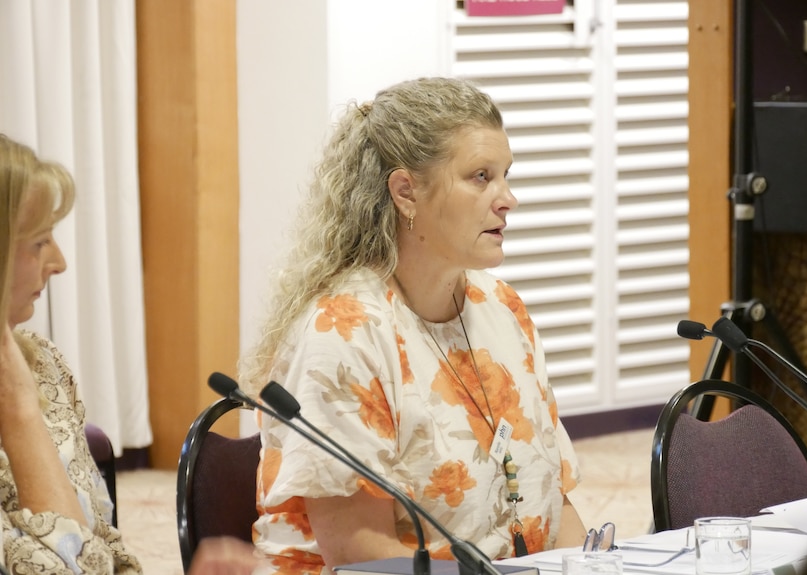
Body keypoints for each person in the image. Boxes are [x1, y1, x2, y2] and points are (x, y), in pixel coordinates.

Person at [240, 77, 588, 575]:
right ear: (406, 192)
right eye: (480, 177)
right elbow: (360, 555)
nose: (507, 198)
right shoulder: (342, 332)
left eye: (506, 175)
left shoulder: (502, 306)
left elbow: (554, 502)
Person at [0, 134, 261, 574]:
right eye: (40, 242)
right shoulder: (21, 392)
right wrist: (21, 414)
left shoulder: (41, 365)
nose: (60, 262)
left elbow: (104, 556)